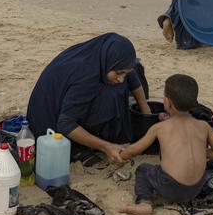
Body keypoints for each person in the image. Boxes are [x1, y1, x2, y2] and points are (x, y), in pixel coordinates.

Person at [26, 33, 151, 166]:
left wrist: (146, 114)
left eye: (125, 73)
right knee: (110, 98)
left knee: (129, 75)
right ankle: (80, 147)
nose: (121, 78)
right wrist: (106, 147)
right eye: (119, 73)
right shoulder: (86, 76)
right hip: (50, 129)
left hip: (65, 107)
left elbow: (131, 75)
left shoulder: (101, 54)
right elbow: (66, 124)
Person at [119, 74, 213, 215]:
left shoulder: (160, 127)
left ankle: (144, 203)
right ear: (195, 103)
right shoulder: (204, 125)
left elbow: (134, 150)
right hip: (196, 188)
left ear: (167, 102)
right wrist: (201, 151)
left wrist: (121, 155)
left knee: (143, 170)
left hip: (171, 187)